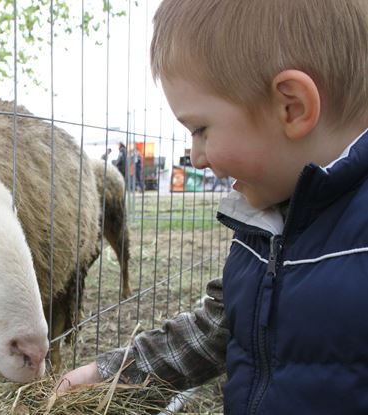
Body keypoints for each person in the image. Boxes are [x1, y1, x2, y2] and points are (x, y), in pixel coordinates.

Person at [58, 1, 368, 413]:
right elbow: (219, 326)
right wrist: (114, 373)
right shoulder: (269, 225)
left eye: (200, 130)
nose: (196, 156)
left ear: (291, 107)